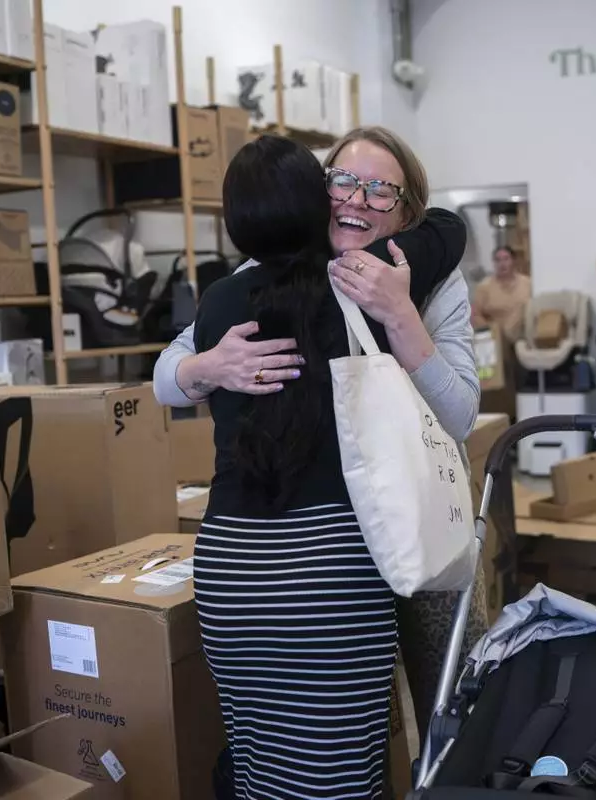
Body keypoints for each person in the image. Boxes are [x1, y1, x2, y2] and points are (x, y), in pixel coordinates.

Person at [154, 126, 489, 736]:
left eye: (380, 191)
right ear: (318, 191)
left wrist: (402, 315)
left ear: (406, 209)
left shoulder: (433, 278)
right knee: (345, 722)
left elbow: (462, 415)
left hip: (417, 507)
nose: (357, 200)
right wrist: (211, 365)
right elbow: (165, 377)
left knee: (451, 702)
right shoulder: (270, 265)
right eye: (343, 182)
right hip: (332, 542)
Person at [471, 245, 532, 341]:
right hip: (496, 337)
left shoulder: (527, 283)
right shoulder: (484, 287)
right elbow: (476, 315)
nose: (502, 264)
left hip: (522, 336)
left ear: (513, 261)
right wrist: (490, 330)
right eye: (498, 260)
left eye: (506, 259)